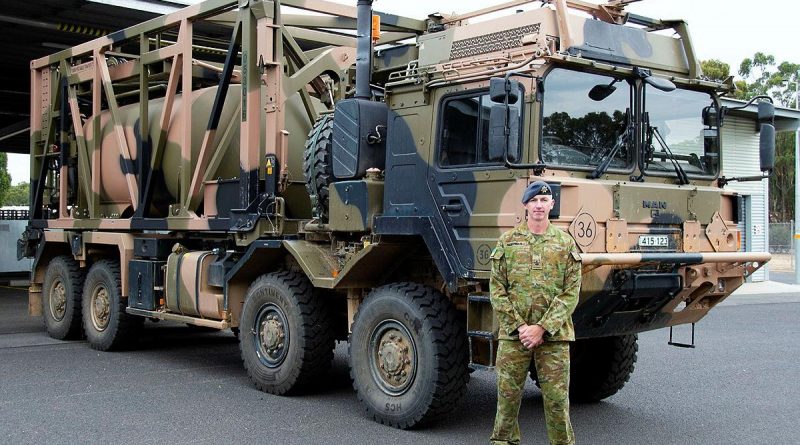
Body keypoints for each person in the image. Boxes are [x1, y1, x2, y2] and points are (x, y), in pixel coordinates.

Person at [489, 181, 582, 445]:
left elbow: (570, 293)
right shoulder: (507, 242)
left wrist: (541, 328)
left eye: (544, 201)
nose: (539, 206)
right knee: (507, 401)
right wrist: (520, 327)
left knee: (556, 403)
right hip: (513, 336)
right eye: (534, 201)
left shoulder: (565, 244)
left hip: (554, 337)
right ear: (526, 206)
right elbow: (497, 290)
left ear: (552, 205)